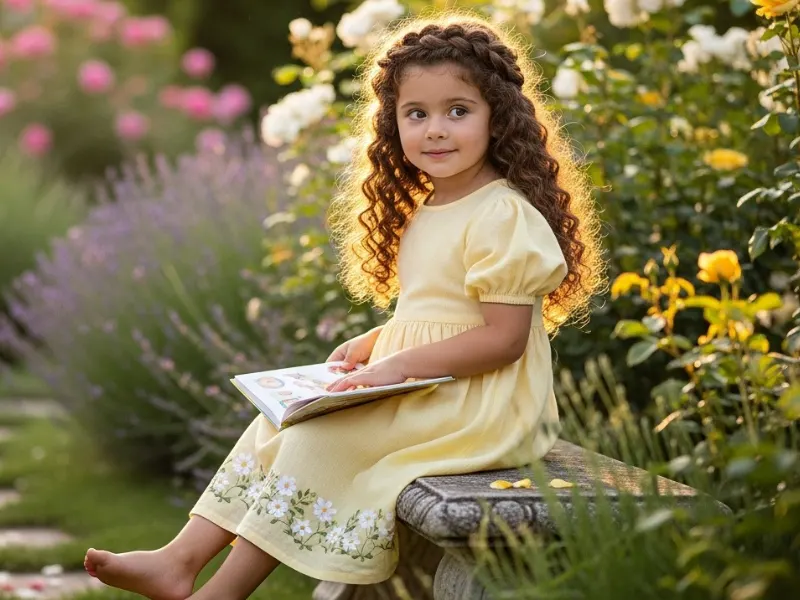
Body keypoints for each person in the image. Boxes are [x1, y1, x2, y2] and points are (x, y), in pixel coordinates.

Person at [83, 12, 605, 600]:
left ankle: (221, 593)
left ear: (499, 118)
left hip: (484, 405)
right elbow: (431, 312)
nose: (436, 129)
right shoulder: (428, 209)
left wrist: (398, 367)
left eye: (458, 111)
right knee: (278, 423)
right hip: (431, 388)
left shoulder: (501, 213)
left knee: (318, 440)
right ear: (392, 124)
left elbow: (503, 338)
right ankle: (178, 559)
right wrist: (376, 344)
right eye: (417, 114)